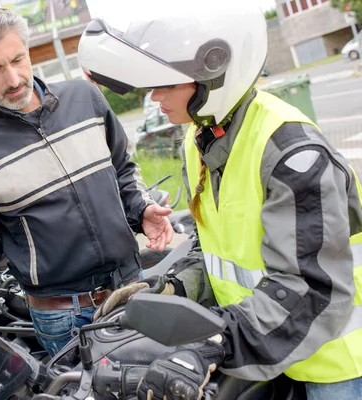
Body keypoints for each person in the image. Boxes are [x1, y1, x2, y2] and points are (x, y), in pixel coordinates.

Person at [78, 1, 362, 399]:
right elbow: (216, 250)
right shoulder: (200, 143)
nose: (155, 96)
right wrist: (170, 290)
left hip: (333, 361)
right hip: (266, 350)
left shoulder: (292, 153)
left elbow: (308, 288)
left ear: (215, 75)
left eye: (167, 82)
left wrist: (214, 339)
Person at [0, 7, 174, 357]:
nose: (13, 79)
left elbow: (122, 169)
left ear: (28, 50)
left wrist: (141, 210)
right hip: (63, 316)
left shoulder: (86, 100)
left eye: (17, 60)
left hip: (132, 285)